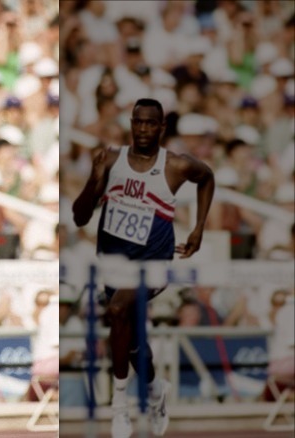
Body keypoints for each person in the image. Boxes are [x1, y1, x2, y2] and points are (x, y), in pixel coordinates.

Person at [72, 98, 214, 438]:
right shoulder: (110, 159)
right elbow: (80, 217)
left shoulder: (176, 166)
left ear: (162, 128)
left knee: (119, 311)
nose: (144, 129)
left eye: (152, 123)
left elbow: (207, 177)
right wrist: (95, 179)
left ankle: (119, 407)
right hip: (113, 260)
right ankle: (154, 389)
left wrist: (198, 228)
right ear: (131, 123)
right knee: (131, 338)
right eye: (139, 122)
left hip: (155, 262)